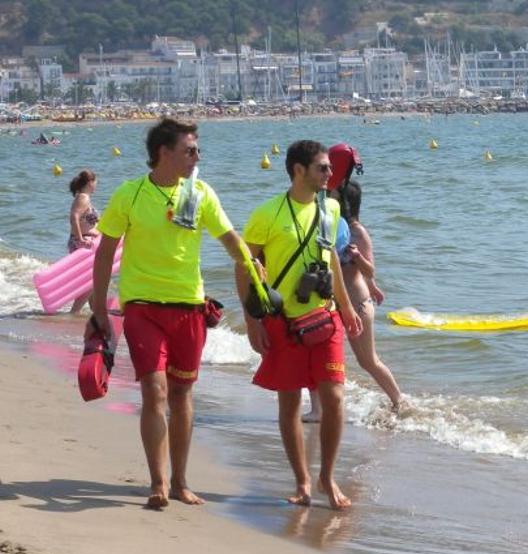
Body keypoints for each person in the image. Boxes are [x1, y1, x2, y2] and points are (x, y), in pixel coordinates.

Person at [88, 117, 254, 509]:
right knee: (154, 389)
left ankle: (181, 480)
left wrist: (251, 265)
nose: (197, 156)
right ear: (164, 152)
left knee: (182, 392)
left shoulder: (200, 194)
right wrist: (99, 302)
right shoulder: (130, 194)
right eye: (190, 150)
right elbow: (106, 249)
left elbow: (229, 237)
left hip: (189, 306)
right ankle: (158, 481)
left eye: (197, 150)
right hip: (143, 305)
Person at [243, 140, 363, 511]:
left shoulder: (331, 207)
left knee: (334, 398)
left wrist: (346, 307)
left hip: (324, 317)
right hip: (283, 321)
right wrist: (253, 321)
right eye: (322, 168)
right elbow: (245, 268)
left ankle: (327, 475)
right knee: (290, 401)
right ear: (299, 170)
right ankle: (302, 481)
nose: (330, 174)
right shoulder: (267, 214)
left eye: (329, 168)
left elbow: (330, 264)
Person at [305, 179, 402, 422]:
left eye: (333, 193)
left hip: (357, 304)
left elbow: (369, 270)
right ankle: (317, 410)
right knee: (314, 354)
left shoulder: (357, 231)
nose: (328, 195)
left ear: (345, 200)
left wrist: (358, 258)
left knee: (368, 360)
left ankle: (399, 402)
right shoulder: (330, 225)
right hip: (332, 303)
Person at [67, 170, 101, 313]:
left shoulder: (83, 197)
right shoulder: (83, 198)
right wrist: (80, 239)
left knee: (90, 279)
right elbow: (74, 217)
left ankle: (96, 312)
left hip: (84, 241)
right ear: (90, 182)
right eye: (96, 182)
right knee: (93, 280)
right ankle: (73, 313)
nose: (96, 186)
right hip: (83, 243)